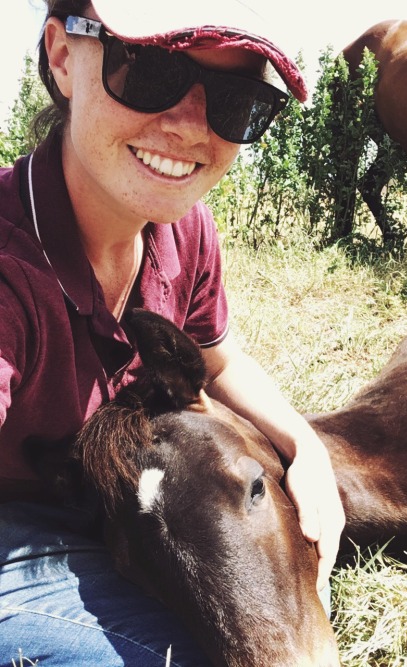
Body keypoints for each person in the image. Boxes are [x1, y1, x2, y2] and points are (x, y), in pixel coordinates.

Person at [0, 0, 345, 664]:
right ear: (64, 56)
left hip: (122, 501)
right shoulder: (14, 268)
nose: (189, 127)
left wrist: (309, 448)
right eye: (148, 69)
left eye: (235, 100)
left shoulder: (183, 227)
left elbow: (219, 361)